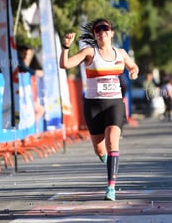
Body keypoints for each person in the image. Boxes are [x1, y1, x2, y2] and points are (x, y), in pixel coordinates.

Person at [59, 18, 139, 201]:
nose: (102, 31)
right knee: (100, 149)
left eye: (105, 28)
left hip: (114, 104)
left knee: (113, 142)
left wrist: (134, 71)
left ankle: (111, 187)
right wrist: (65, 47)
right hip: (93, 105)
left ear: (111, 32)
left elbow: (133, 65)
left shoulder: (121, 53)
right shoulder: (90, 52)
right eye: (98, 29)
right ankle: (107, 159)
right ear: (95, 35)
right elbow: (65, 65)